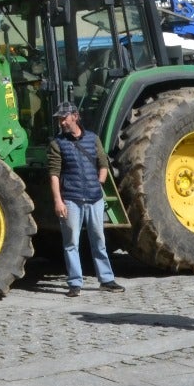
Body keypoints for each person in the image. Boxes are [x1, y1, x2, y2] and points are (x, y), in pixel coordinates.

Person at [48, 102, 125, 298]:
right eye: (59, 118)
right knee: (71, 242)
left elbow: (103, 162)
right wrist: (58, 201)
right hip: (71, 199)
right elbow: (54, 174)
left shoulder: (93, 139)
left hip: (94, 199)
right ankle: (75, 283)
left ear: (75, 116)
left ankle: (106, 280)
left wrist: (99, 181)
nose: (61, 122)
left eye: (64, 117)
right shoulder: (57, 143)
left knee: (98, 239)